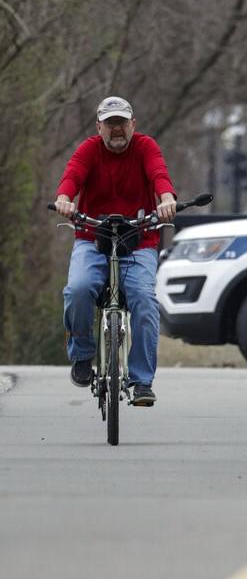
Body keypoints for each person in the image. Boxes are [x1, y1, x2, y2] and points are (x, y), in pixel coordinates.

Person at [53, 96, 177, 406]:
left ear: (133, 124)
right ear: (99, 127)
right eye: (110, 124)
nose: (117, 129)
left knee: (144, 301)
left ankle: (142, 381)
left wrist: (165, 199)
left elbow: (159, 174)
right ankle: (82, 355)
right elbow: (72, 176)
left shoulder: (146, 147)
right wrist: (65, 198)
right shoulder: (89, 150)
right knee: (78, 290)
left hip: (139, 241)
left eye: (122, 122)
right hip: (92, 240)